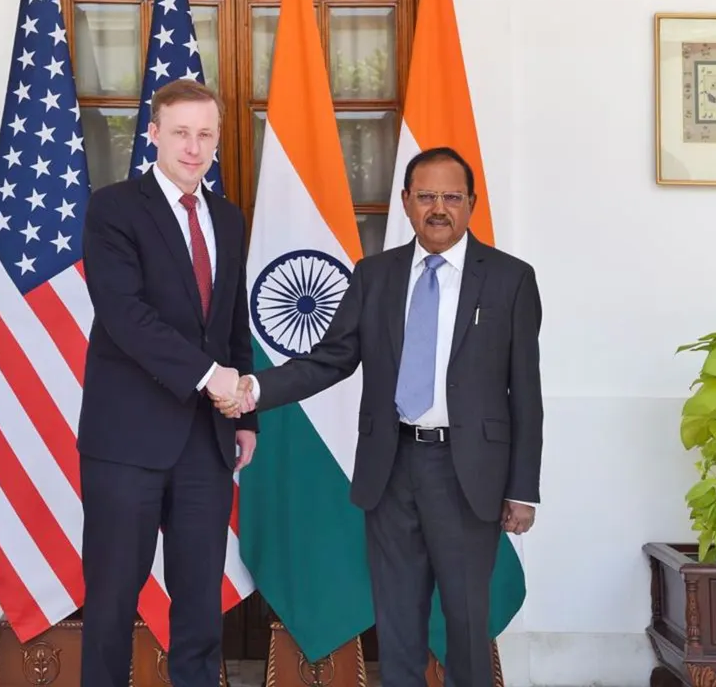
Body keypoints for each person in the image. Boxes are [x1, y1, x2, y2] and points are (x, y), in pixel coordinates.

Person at [216, 146, 543, 687]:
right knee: (397, 628)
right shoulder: (375, 275)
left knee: (465, 625)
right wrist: (252, 388)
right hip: (390, 469)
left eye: (452, 197)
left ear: (472, 204)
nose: (439, 208)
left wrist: (522, 489)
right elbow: (331, 360)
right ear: (407, 203)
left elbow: (525, 391)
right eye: (428, 197)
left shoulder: (510, 280)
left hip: (470, 476)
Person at [77, 78, 257, 687]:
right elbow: (126, 317)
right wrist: (212, 379)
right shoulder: (114, 208)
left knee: (201, 605)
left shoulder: (228, 219)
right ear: (153, 134)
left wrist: (246, 416)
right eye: (180, 132)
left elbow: (234, 322)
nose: (193, 146)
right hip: (126, 441)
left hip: (206, 443)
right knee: (111, 603)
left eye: (205, 134)